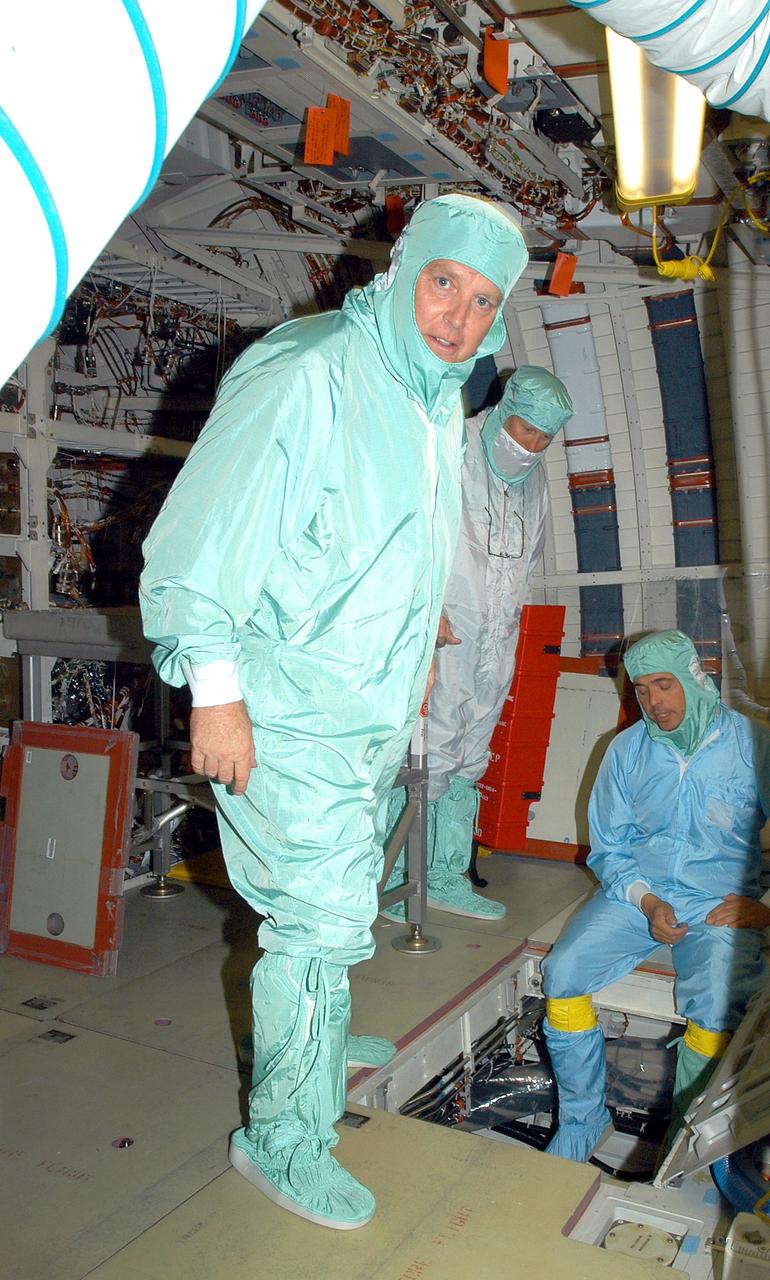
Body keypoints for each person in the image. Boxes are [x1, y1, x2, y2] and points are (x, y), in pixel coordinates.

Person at [140, 193, 528, 1231]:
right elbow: (198, 542)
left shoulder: (433, 398)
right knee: (312, 923)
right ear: (404, 270)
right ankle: (283, 1137)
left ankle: (311, 1028)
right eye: (443, 282)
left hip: (366, 704)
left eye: (482, 299)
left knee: (337, 897)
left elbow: (387, 536)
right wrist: (215, 694)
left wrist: (417, 631)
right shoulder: (309, 369)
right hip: (284, 702)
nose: (455, 314)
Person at [542, 629, 770, 1163]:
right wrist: (646, 902)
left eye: (663, 686)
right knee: (564, 972)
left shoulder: (754, 745)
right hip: (636, 895)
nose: (653, 703)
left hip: (720, 900)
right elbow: (610, 847)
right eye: (641, 690)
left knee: (715, 1003)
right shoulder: (624, 750)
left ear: (695, 678)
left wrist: (764, 908)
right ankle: (584, 1121)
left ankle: (687, 1143)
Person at [384, 366, 573, 920]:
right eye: (524, 429)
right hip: (441, 627)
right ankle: (398, 875)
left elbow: (529, 555)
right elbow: (408, 532)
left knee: (470, 752)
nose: (531, 445)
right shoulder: (450, 445)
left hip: (496, 631)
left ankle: (445, 874)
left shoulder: (533, 477)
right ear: (502, 408)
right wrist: (425, 610)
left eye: (545, 437)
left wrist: (507, 622)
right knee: (427, 748)